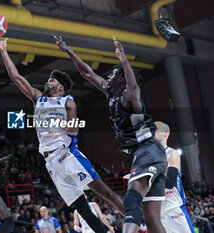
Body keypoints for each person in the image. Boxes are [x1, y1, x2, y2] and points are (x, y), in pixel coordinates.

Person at [0, 36, 123, 233]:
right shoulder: (38, 99)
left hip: (67, 154)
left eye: (51, 80)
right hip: (50, 162)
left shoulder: (67, 100)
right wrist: (3, 51)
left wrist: (63, 125)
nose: (47, 82)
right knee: (83, 210)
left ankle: (139, 222)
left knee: (103, 191)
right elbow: (17, 78)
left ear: (60, 87)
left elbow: (75, 128)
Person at [55, 35, 167, 233]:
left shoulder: (129, 98)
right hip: (142, 154)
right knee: (152, 220)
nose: (107, 77)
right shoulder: (110, 93)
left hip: (148, 150)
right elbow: (88, 74)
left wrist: (124, 61)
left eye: (113, 74)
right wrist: (69, 51)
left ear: (121, 77)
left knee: (132, 197)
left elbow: (133, 87)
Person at [154, 121, 196, 233]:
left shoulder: (171, 153)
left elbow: (169, 182)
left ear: (166, 133)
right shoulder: (150, 159)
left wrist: (146, 177)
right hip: (158, 212)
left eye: (156, 129)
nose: (152, 132)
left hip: (174, 208)